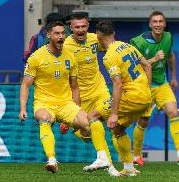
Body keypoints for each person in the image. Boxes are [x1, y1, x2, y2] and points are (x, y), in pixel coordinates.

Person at [19, 21, 112, 174]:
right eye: (57, 33)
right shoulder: (36, 57)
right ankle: (51, 159)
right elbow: (25, 85)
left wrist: (78, 109)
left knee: (89, 122)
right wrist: (23, 108)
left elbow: (74, 87)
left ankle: (103, 159)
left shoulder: (70, 57)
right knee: (44, 118)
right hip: (44, 103)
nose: (61, 36)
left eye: (63, 33)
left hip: (66, 103)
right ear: (49, 35)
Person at [59, 13, 119, 176]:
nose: (80, 30)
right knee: (86, 133)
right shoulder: (63, 45)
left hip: (100, 91)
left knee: (117, 125)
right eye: (77, 27)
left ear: (88, 27)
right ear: (71, 28)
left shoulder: (95, 39)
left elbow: (112, 46)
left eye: (83, 26)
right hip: (79, 98)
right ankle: (108, 162)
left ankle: (125, 165)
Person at [130, 11, 179, 166]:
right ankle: (136, 156)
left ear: (164, 24)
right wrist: (154, 59)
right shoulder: (139, 42)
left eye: (160, 22)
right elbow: (134, 67)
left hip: (162, 83)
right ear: (150, 24)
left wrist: (174, 77)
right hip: (145, 85)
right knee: (143, 121)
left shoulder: (168, 37)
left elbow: (170, 56)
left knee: (173, 112)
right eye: (155, 22)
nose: (158, 24)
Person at [95, 20, 152, 176]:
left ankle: (101, 158)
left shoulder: (109, 57)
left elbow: (117, 84)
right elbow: (147, 65)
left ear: (99, 37)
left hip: (132, 97)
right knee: (118, 129)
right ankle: (129, 168)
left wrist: (113, 114)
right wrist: (147, 89)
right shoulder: (128, 46)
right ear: (114, 33)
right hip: (146, 96)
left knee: (92, 116)